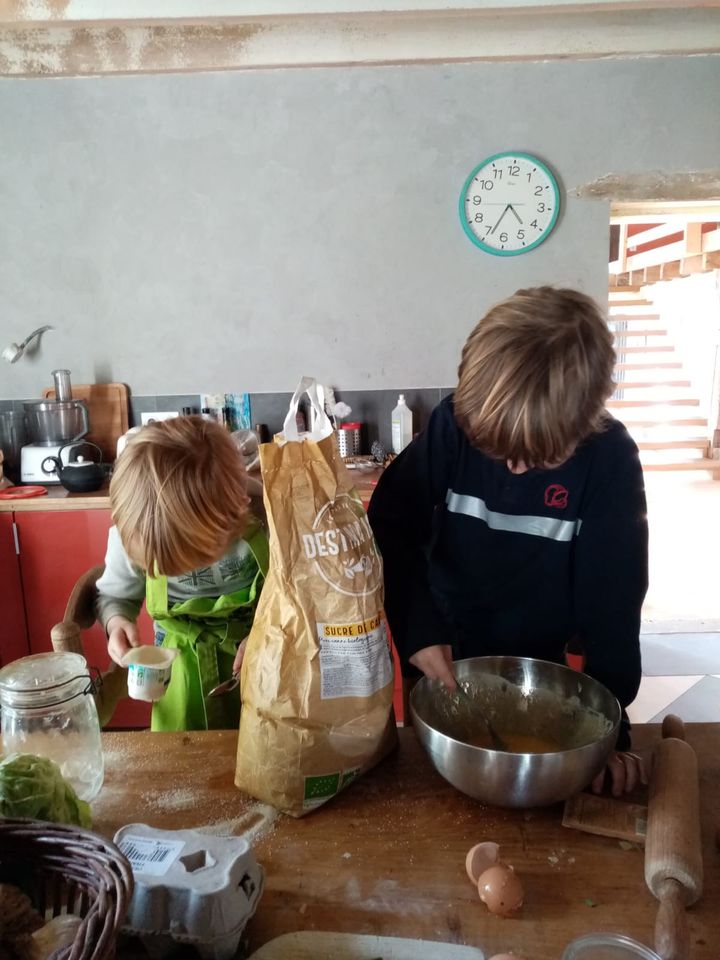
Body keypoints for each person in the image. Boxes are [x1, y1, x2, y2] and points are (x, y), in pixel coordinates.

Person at [368, 286, 649, 797]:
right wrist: (417, 627)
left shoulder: (609, 462)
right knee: (428, 791)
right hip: (442, 649)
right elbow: (390, 520)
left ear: (585, 422)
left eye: (536, 458)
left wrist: (611, 732)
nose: (515, 469)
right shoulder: (453, 427)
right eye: (497, 452)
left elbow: (613, 604)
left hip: (540, 663)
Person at [96, 416, 268, 732]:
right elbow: (115, 595)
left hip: (262, 658)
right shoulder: (134, 531)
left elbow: (298, 593)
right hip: (176, 667)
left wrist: (270, 633)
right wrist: (117, 620)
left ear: (238, 508)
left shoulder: (267, 516)